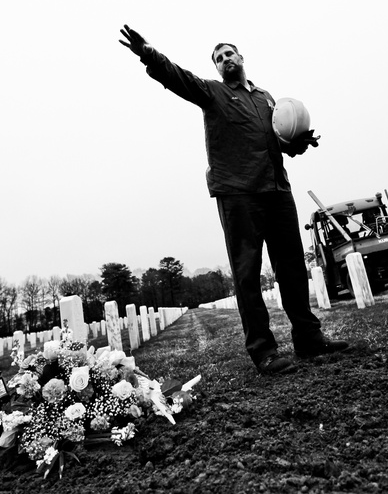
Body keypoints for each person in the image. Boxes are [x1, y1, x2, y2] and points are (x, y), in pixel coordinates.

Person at [118, 25, 349, 375]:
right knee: (246, 274)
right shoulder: (212, 93)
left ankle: (309, 338)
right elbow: (177, 77)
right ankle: (264, 351)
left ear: (241, 58)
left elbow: (280, 143)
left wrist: (299, 143)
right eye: (219, 58)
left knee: (291, 267)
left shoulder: (267, 99)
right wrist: (148, 53)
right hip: (238, 193)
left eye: (230, 54)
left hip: (278, 190)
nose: (226, 59)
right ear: (216, 68)